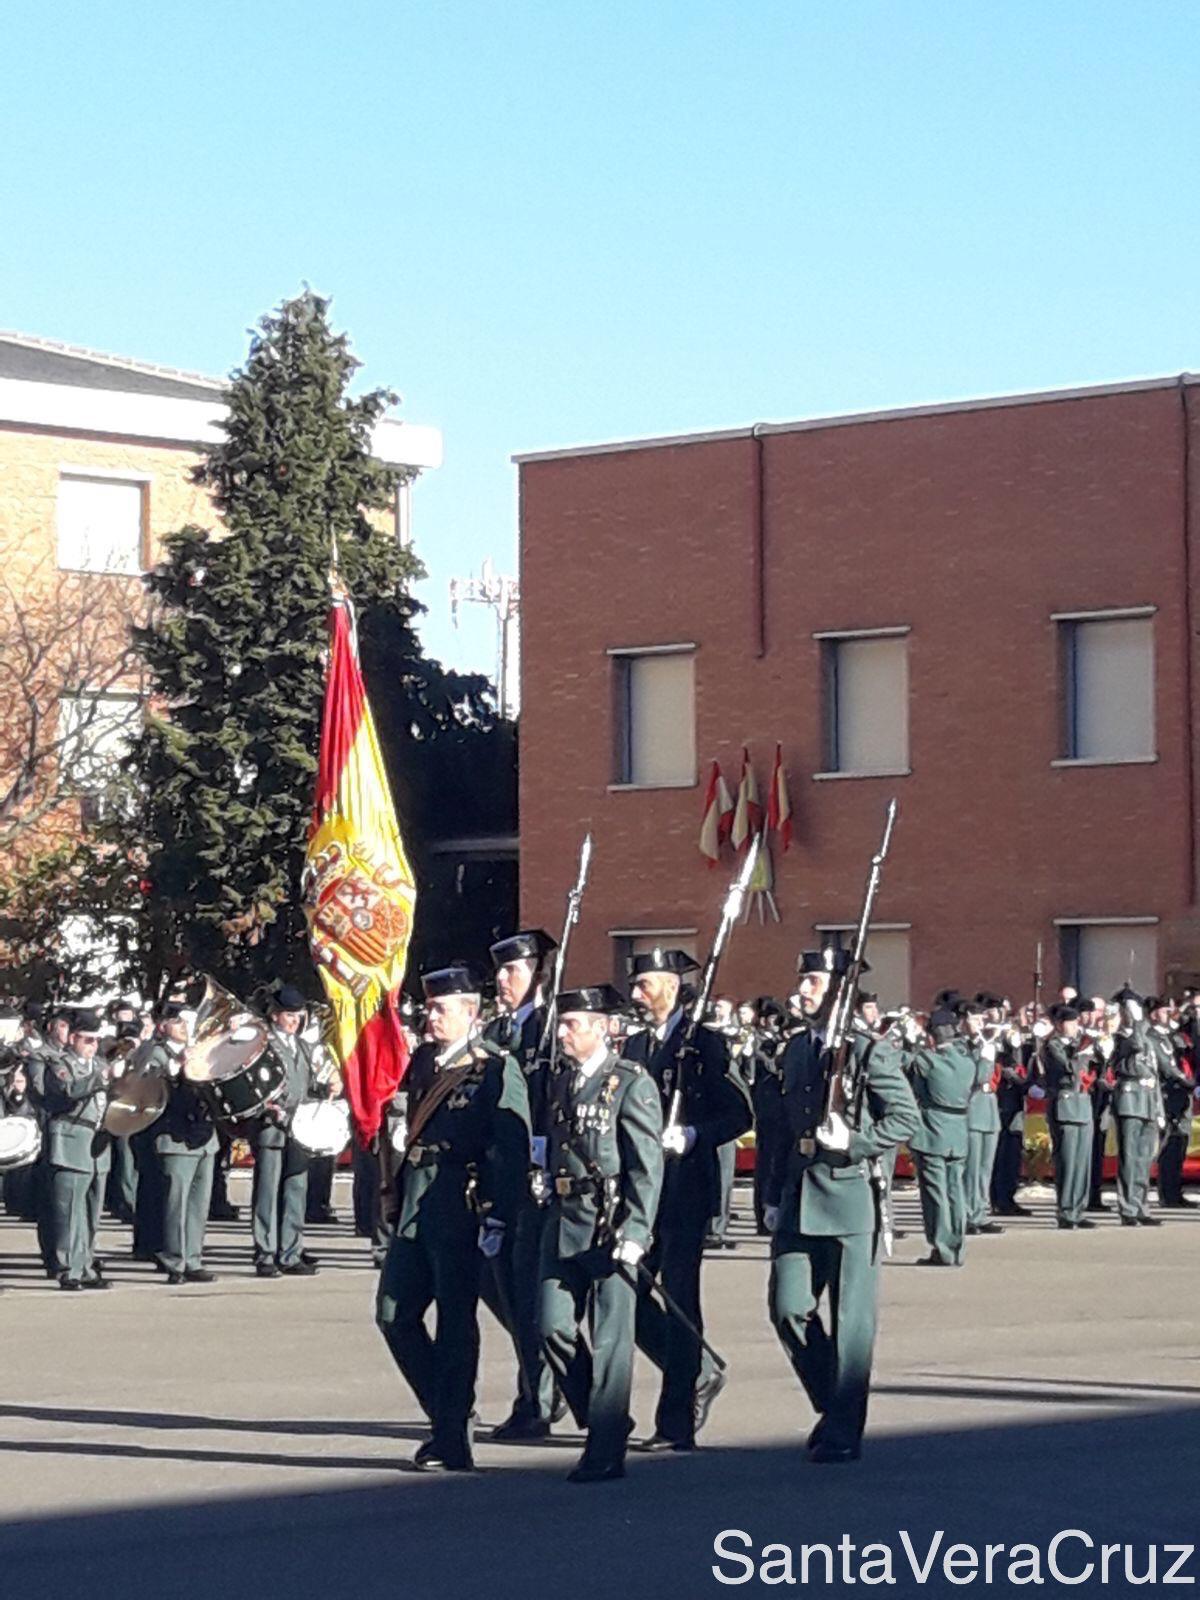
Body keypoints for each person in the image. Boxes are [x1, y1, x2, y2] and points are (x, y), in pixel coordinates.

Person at [763, 949, 918, 1463]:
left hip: (851, 1197)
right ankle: (835, 1405)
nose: (802, 989)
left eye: (812, 981)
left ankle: (844, 1429)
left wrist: (855, 1140)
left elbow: (905, 1118)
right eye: (803, 979)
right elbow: (780, 1130)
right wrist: (771, 1194)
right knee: (788, 1308)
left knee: (852, 1325)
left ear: (838, 990)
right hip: (799, 1194)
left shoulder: (870, 1051)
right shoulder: (796, 1049)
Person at [375, 965, 530, 1472]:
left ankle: (451, 1436)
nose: (432, 1017)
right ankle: (447, 1411)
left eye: (442, 1009)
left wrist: (499, 1215)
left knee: (455, 1323)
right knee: (393, 1313)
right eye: (430, 1008)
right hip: (416, 1204)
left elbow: (510, 1149)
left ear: (471, 1013)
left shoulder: (493, 1069)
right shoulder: (424, 1060)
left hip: (459, 1206)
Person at [620, 947, 751, 1451]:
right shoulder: (633, 1045)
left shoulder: (704, 1045)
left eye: (645, 985)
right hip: (639, 1191)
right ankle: (696, 1368)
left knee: (679, 1299)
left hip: (683, 1190)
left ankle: (676, 1420)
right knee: (624, 1294)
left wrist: (694, 1134)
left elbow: (738, 1114)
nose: (636, 994)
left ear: (672, 988)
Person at [539, 985, 663, 1483]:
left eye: (572, 1025)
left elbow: (646, 1165)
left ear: (602, 1028)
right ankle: (602, 1414)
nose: (563, 1034)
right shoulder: (562, 1082)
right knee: (551, 1325)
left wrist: (637, 1228)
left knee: (611, 1339)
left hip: (610, 1224)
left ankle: (606, 1447)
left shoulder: (630, 1083)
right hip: (565, 1219)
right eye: (562, 1024)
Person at [481, 928, 561, 1441]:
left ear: (538, 975)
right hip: (502, 1178)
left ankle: (540, 1398)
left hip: (544, 1181)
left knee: (534, 1296)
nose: (502, 979)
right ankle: (544, 1387)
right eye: (500, 970)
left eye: (512, 969)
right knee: (504, 1290)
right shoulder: (499, 1032)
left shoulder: (553, 1030)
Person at [251, 984, 319, 1277]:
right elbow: (254, 1085)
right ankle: (265, 1253)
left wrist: (326, 1087)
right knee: (267, 1191)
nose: (294, 1020)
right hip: (272, 1127)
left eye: (298, 1015)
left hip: (299, 1127)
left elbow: (308, 1084)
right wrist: (268, 1106)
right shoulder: (262, 1045)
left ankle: (290, 1252)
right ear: (275, 1015)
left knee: (296, 1189)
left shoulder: (303, 1046)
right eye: (289, 1015)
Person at [43, 1009, 113, 1290]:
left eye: (96, 1040)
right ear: (72, 1038)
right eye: (87, 1040)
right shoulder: (60, 1064)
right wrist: (100, 1078)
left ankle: (85, 1265)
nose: (93, 1046)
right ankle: (67, 1269)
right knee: (70, 1211)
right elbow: (68, 1091)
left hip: (98, 1142)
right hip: (72, 1139)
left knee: (91, 1213)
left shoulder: (100, 1064)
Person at [154, 1002, 219, 1284]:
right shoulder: (156, 1051)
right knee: (175, 1203)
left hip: (204, 1137)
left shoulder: (199, 1049)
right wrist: (179, 1063)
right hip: (175, 1136)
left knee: (198, 1204)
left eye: (186, 1021)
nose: (184, 1027)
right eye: (178, 1022)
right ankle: (174, 1260)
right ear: (162, 1026)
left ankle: (193, 1258)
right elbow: (150, 1083)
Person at [907, 1006, 975, 1266]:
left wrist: (910, 1043)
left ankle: (942, 1248)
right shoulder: (967, 1062)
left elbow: (909, 1073)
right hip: (958, 1130)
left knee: (935, 1193)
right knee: (956, 1191)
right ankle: (957, 1246)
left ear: (931, 1036)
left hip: (933, 1129)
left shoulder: (927, 1060)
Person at [1109, 989, 1164, 1227]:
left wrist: (1159, 1109)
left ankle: (1141, 1206)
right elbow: (1136, 1045)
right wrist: (1138, 1023)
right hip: (1129, 1102)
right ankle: (1128, 1208)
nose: (1132, 1014)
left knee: (1144, 1159)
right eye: (1129, 1009)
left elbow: (1154, 1074)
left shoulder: (1146, 1036)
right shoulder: (1120, 1038)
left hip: (1147, 1101)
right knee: (1130, 1158)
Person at [1042, 1003, 1098, 1230]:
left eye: (1076, 1023)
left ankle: (1078, 1208)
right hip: (1065, 1105)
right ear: (1058, 1024)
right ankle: (1066, 1210)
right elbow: (1068, 1069)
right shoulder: (1052, 1045)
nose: (1075, 1027)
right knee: (1067, 1161)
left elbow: (1095, 1069)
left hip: (1083, 1104)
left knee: (1082, 1162)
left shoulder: (1080, 1044)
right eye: (1070, 1023)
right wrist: (1082, 1055)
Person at [961, 1000, 1004, 1236]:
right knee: (972, 1168)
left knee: (985, 1167)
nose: (980, 1024)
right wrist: (986, 1056)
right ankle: (968, 1213)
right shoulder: (963, 1046)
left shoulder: (984, 1044)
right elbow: (977, 1077)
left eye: (981, 1019)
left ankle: (980, 1211)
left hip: (988, 1108)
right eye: (975, 1019)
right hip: (973, 1108)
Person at [1148, 997, 1196, 1208]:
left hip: (1182, 1095)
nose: (1169, 1014)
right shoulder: (1152, 1038)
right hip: (1168, 1095)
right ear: (1153, 1014)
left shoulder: (1175, 1036)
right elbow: (1167, 1068)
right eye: (1164, 1011)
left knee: (1180, 1145)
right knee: (1169, 1146)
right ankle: (1167, 1194)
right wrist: (1190, 1083)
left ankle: (1175, 1191)